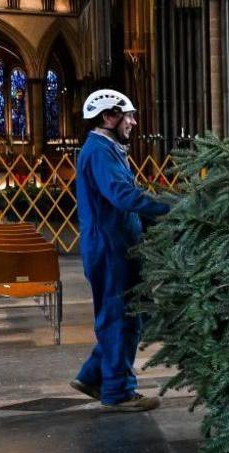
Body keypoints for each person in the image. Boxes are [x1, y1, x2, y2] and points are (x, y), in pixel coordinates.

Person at [71, 90, 174, 412]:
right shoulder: (100, 151)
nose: (133, 121)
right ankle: (117, 392)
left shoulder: (108, 148)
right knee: (120, 318)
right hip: (110, 249)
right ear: (108, 117)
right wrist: (172, 206)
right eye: (127, 115)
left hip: (119, 246)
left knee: (130, 315)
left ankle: (92, 376)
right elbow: (123, 196)